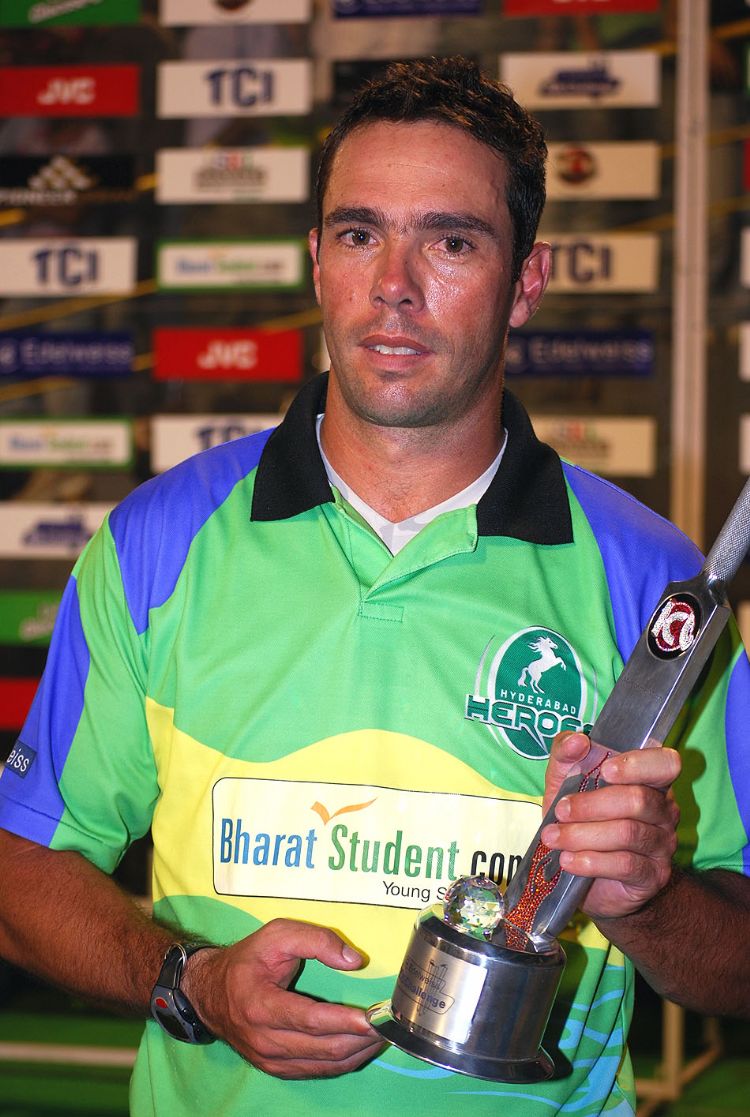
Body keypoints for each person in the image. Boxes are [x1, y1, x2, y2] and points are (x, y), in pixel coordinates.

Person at [0, 56, 748, 1117]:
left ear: (527, 283)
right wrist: (191, 982)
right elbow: (22, 867)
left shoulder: (653, 590)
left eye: (451, 241)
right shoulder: (155, 545)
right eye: (359, 234)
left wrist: (646, 900)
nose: (394, 283)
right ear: (316, 262)